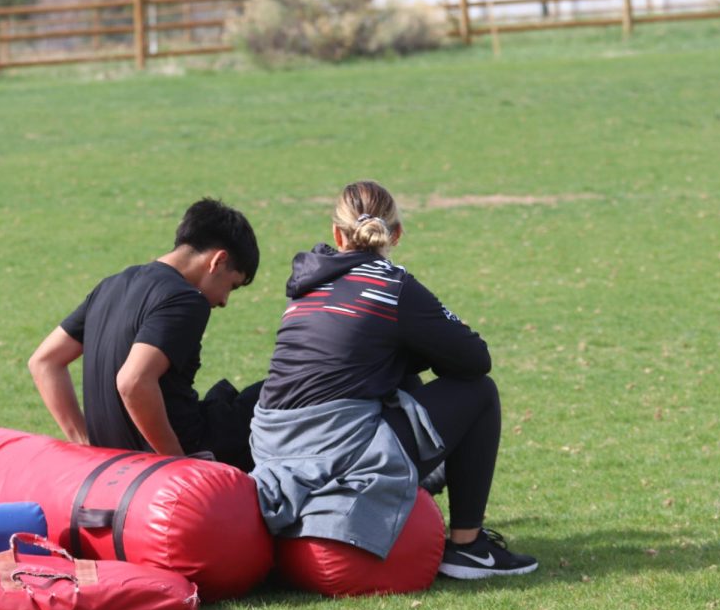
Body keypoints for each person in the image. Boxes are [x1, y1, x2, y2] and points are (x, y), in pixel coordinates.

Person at [250, 180, 537, 579]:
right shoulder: (392, 286)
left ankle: (425, 480)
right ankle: (468, 548)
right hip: (335, 449)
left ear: (336, 234)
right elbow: (475, 361)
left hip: (269, 451)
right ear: (396, 234)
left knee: (397, 373)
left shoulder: (304, 288)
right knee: (479, 393)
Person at [28, 198, 261, 471]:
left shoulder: (111, 285)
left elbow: (44, 362)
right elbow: (133, 381)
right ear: (218, 261)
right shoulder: (187, 300)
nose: (224, 301)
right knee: (279, 393)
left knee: (227, 398)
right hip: (180, 448)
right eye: (231, 287)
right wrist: (177, 463)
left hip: (113, 453)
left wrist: (85, 444)